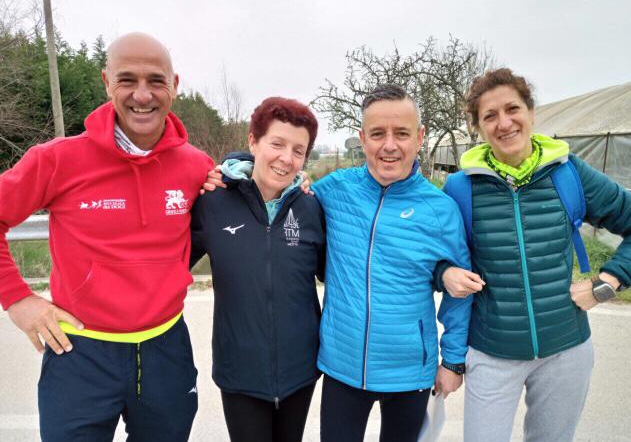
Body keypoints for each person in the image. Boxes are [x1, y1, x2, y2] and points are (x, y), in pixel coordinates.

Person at [0, 32, 214, 441]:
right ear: (106, 82)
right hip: (79, 353)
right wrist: (17, 298)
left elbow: (245, 204)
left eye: (156, 81)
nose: (142, 95)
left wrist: (296, 185)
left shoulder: (196, 166)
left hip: (166, 351)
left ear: (174, 85)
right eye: (127, 80)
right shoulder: (57, 159)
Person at [442, 68, 631, 442]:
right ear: (478, 127)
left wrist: (607, 282)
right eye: (490, 116)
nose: (504, 123)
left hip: (566, 351)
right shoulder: (460, 188)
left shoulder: (568, 173)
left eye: (512, 109)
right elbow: (437, 258)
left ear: (530, 111)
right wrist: (445, 272)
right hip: (491, 354)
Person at [312, 84, 477, 442]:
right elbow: (282, 189)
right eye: (377, 134)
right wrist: (233, 171)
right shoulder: (334, 190)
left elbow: (462, 292)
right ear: (362, 139)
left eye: (401, 133)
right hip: (342, 367)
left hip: (410, 373)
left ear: (419, 137)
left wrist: (453, 361)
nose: (389, 145)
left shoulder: (440, 209)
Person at [189, 97, 325, 442]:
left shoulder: (311, 207)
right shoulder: (212, 201)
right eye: (277, 144)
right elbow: (166, 264)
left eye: (298, 150)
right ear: (253, 141)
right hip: (239, 371)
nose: (286, 158)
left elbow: (334, 274)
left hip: (300, 370)